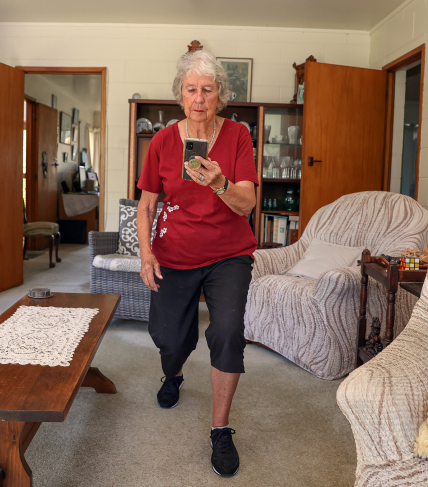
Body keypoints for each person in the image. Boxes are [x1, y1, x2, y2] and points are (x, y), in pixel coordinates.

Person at [136, 50, 258, 478]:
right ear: (180, 96)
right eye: (192, 89)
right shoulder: (163, 141)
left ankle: (221, 430)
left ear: (220, 95)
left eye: (208, 89)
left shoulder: (239, 135)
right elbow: (147, 202)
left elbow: (247, 204)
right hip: (174, 253)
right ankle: (174, 373)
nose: (200, 98)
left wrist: (220, 182)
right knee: (168, 338)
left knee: (227, 333)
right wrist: (146, 253)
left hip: (228, 253)